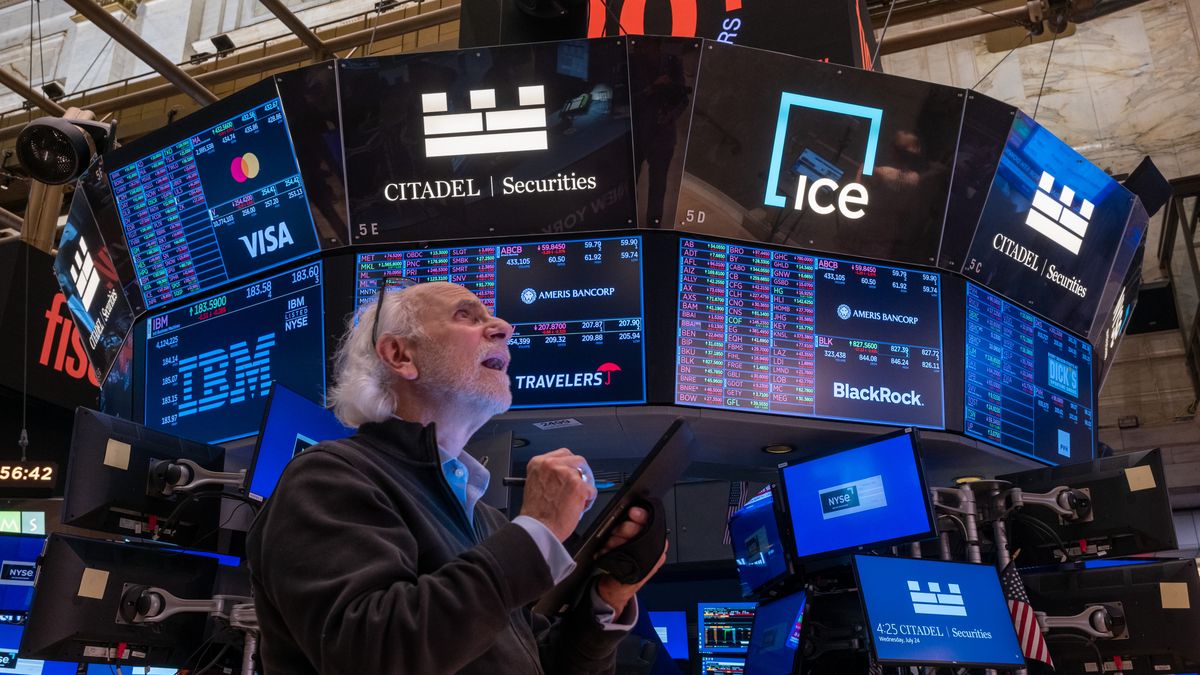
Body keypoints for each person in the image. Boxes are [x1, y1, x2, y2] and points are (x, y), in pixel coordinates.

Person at [246, 281, 667, 674]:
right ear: (400, 355)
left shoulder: (486, 520)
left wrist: (610, 595)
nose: (504, 327)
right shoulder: (328, 478)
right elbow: (372, 653)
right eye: (467, 315)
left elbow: (531, 663)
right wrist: (537, 529)